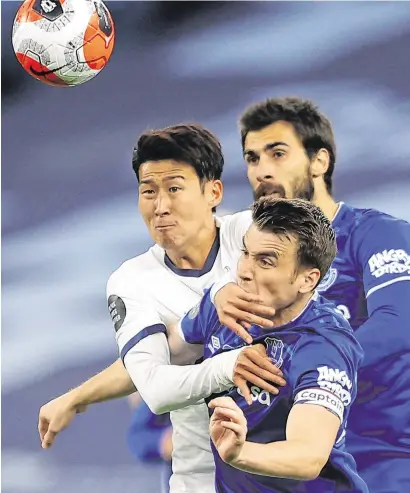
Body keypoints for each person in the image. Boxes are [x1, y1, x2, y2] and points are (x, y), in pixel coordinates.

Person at [37, 123, 284, 493]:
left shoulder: (256, 235)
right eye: (148, 191)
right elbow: (154, 384)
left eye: (174, 189)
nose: (161, 206)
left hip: (290, 463)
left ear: (212, 192)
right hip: (204, 480)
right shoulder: (132, 280)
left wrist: (79, 395)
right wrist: (226, 356)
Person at [212, 97, 410, 493]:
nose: (262, 171)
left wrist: (299, 369)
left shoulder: (374, 234)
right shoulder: (248, 258)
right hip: (290, 467)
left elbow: (400, 321)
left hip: (380, 458)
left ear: (319, 162)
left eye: (278, 153)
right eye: (252, 159)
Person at [177, 196, 367, 492]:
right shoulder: (225, 305)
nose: (244, 271)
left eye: (265, 261)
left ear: (307, 279)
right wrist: (79, 397)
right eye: (245, 253)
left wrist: (240, 453)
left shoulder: (322, 348)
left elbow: (308, 455)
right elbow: (160, 355)